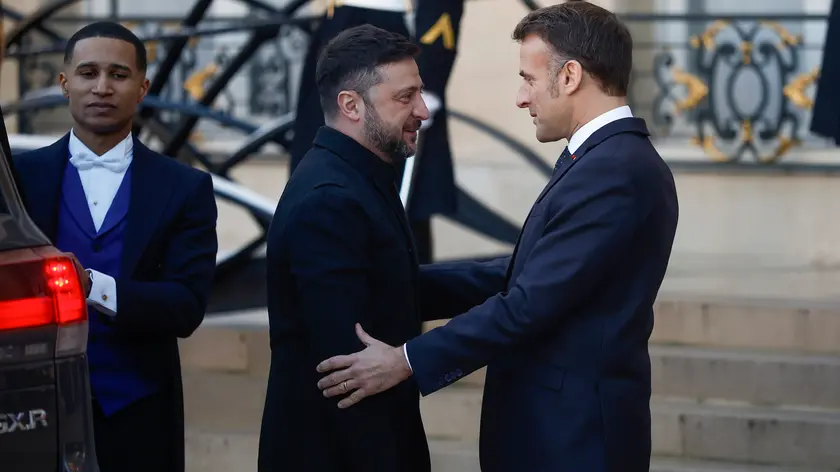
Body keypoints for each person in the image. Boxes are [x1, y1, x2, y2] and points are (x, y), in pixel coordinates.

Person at [315, 3, 680, 472]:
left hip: (573, 442)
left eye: (529, 79)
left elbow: (528, 303)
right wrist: (396, 283)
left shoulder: (614, 170)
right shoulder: (603, 159)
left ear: (570, 76)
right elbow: (524, 273)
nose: (521, 98)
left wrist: (406, 360)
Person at [12, 22, 218, 472]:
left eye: (118, 75)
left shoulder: (185, 187)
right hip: (31, 407)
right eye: (88, 73)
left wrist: (93, 287)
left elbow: (186, 306)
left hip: (140, 411)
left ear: (142, 87)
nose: (102, 87)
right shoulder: (18, 177)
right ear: (64, 83)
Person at [257, 25, 432, 472]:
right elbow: (349, 370)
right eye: (405, 97)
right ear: (351, 105)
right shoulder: (330, 199)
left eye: (419, 93)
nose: (423, 110)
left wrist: (512, 277)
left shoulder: (360, 175)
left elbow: (394, 286)